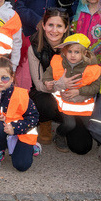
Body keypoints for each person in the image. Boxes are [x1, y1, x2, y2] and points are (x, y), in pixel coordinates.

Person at [0, 56, 40, 171]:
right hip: (1, 131)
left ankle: (32, 146)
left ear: (12, 78)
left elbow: (34, 117)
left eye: (4, 78)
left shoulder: (21, 94)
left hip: (22, 132)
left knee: (21, 165)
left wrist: (15, 128)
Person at [40, 33, 101, 154]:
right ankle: (59, 134)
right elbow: (47, 75)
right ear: (64, 52)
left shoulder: (93, 67)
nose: (73, 55)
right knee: (69, 124)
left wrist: (79, 91)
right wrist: (47, 82)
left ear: (85, 53)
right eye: (70, 51)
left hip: (83, 104)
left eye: (77, 52)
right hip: (63, 103)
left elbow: (95, 87)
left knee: (92, 125)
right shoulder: (57, 62)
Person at [26, 8, 71, 145]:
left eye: (59, 26)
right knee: (44, 102)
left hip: (71, 92)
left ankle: (63, 129)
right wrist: (60, 85)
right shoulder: (34, 47)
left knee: (82, 146)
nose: (54, 30)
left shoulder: (74, 45)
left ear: (65, 28)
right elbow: (39, 85)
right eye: (50, 25)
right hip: (43, 93)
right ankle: (45, 121)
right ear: (43, 25)